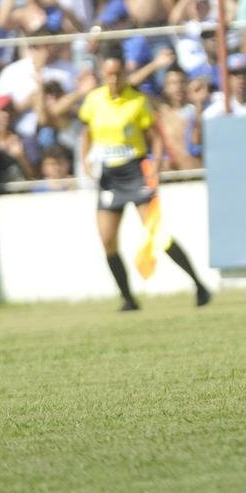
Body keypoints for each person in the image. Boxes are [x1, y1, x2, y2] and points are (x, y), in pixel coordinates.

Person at [79, 46, 212, 312]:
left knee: (157, 234)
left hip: (134, 172)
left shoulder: (137, 101)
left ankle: (199, 286)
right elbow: (87, 132)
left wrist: (156, 166)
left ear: (124, 74)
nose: (113, 79)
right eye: (108, 74)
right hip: (109, 175)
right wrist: (85, 160)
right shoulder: (94, 100)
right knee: (107, 239)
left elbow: (155, 137)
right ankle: (128, 298)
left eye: (117, 74)